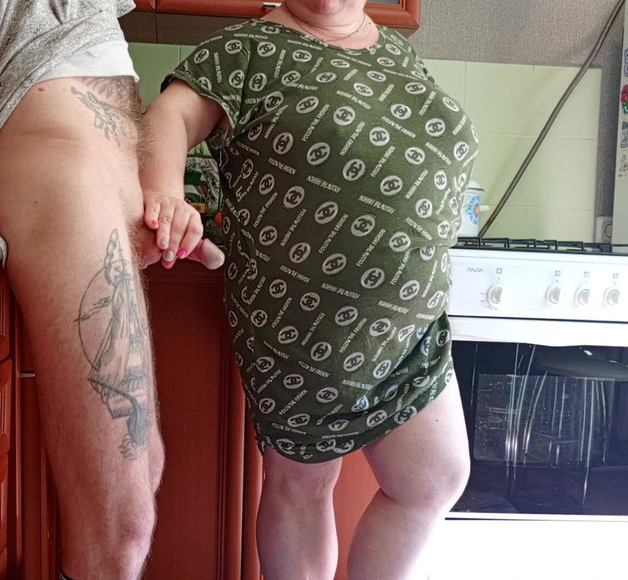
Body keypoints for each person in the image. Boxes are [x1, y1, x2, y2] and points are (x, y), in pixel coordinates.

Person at [0, 1, 221, 578]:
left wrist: (142, 192)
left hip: (86, 183)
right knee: (121, 526)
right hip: (58, 172)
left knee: (144, 470)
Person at [140, 1, 475, 577]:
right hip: (305, 325)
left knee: (435, 479)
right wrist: (165, 194)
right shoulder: (243, 50)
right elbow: (168, 116)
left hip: (411, 330)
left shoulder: (397, 52)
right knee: (303, 484)